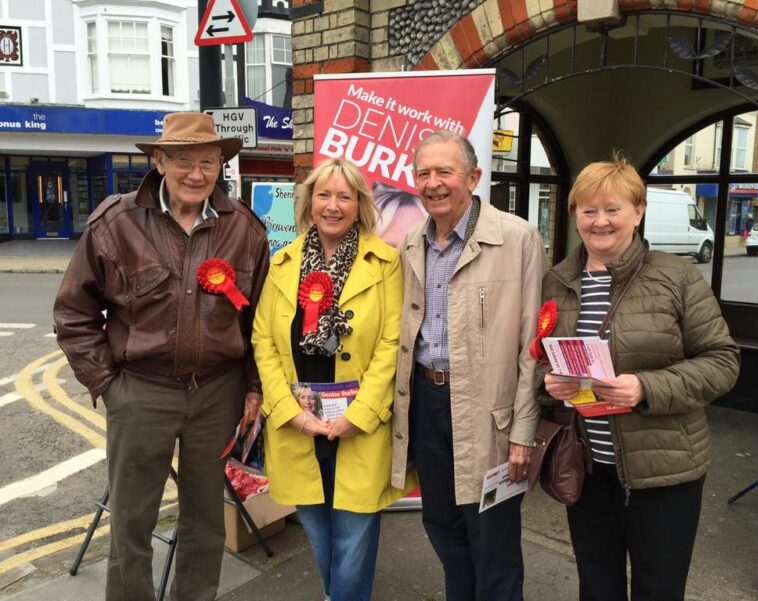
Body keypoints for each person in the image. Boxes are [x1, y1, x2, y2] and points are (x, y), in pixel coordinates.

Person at [53, 112, 270, 601]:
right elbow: (73, 313)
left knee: (205, 521)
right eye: (184, 160)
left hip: (218, 393)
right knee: (131, 521)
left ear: (221, 165)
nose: (197, 173)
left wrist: (253, 387)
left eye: (209, 162)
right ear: (159, 160)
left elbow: (259, 323)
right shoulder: (116, 222)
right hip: (140, 392)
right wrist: (109, 385)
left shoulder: (246, 230)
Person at [536, 155, 740, 601]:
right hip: (587, 469)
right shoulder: (558, 280)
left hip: (663, 473)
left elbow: (723, 361)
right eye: (588, 210)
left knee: (659, 589)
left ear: (638, 211)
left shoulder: (677, 276)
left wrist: (644, 387)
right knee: (597, 585)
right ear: (575, 215)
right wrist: (548, 382)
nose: (600, 221)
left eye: (613, 209)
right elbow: (539, 355)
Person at [391, 130, 546, 601]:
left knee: (493, 543)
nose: (433, 183)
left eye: (445, 172)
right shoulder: (412, 242)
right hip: (427, 402)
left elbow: (531, 346)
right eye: (423, 172)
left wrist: (523, 430)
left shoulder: (518, 238)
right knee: (442, 527)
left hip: (487, 414)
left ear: (474, 177)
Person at [252, 158, 412, 601]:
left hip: (358, 426)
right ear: (308, 203)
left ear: (360, 204)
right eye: (324, 195)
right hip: (299, 426)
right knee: (321, 540)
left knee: (354, 541)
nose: (333, 205)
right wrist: (287, 412)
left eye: (345, 196)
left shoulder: (386, 264)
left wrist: (359, 415)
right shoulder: (282, 263)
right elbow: (263, 340)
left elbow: (391, 346)